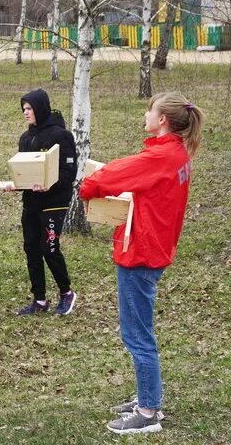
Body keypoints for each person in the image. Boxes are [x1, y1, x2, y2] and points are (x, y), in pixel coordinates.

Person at [80, 93, 204, 435]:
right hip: (154, 245)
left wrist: (88, 186)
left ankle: (148, 411)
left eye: (150, 110)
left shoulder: (161, 155)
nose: (145, 115)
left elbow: (107, 177)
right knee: (138, 330)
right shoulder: (176, 153)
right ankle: (146, 397)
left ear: (162, 119)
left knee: (137, 334)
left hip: (143, 251)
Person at [6, 89, 78, 316]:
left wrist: (50, 184)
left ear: (41, 108)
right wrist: (16, 183)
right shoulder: (26, 138)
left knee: (49, 247)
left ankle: (67, 293)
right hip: (32, 202)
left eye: (30, 109)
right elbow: (24, 171)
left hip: (54, 202)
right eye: (24, 109)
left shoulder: (61, 136)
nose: (26, 113)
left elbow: (69, 171)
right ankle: (39, 300)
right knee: (31, 248)